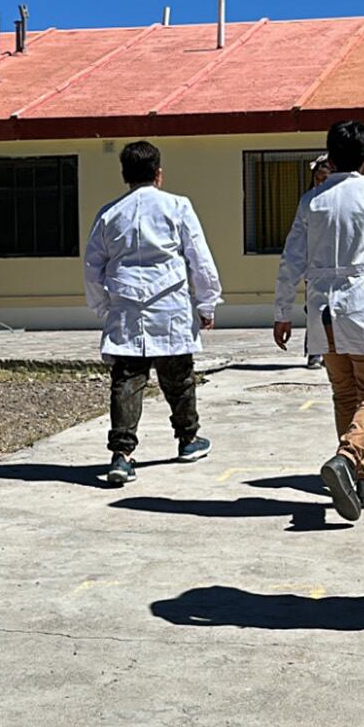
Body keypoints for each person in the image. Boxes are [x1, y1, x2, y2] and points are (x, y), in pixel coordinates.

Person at [273, 121, 364, 521]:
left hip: (321, 312)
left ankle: (361, 477)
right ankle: (349, 457)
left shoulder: (311, 201)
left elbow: (291, 261)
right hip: (363, 308)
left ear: (329, 158)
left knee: (344, 395)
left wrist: (283, 312)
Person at [84, 140, 222, 486]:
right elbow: (199, 259)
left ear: (124, 175)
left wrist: (101, 305)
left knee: (127, 382)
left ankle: (121, 455)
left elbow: (92, 266)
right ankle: (188, 440)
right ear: (159, 174)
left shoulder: (109, 213)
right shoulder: (178, 207)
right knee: (179, 379)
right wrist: (207, 303)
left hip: (126, 309)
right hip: (170, 307)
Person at [302, 154, 332, 369]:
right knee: (314, 310)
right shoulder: (308, 202)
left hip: (337, 265)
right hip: (313, 265)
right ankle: (314, 352)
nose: (320, 183)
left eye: (325, 178)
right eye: (317, 178)